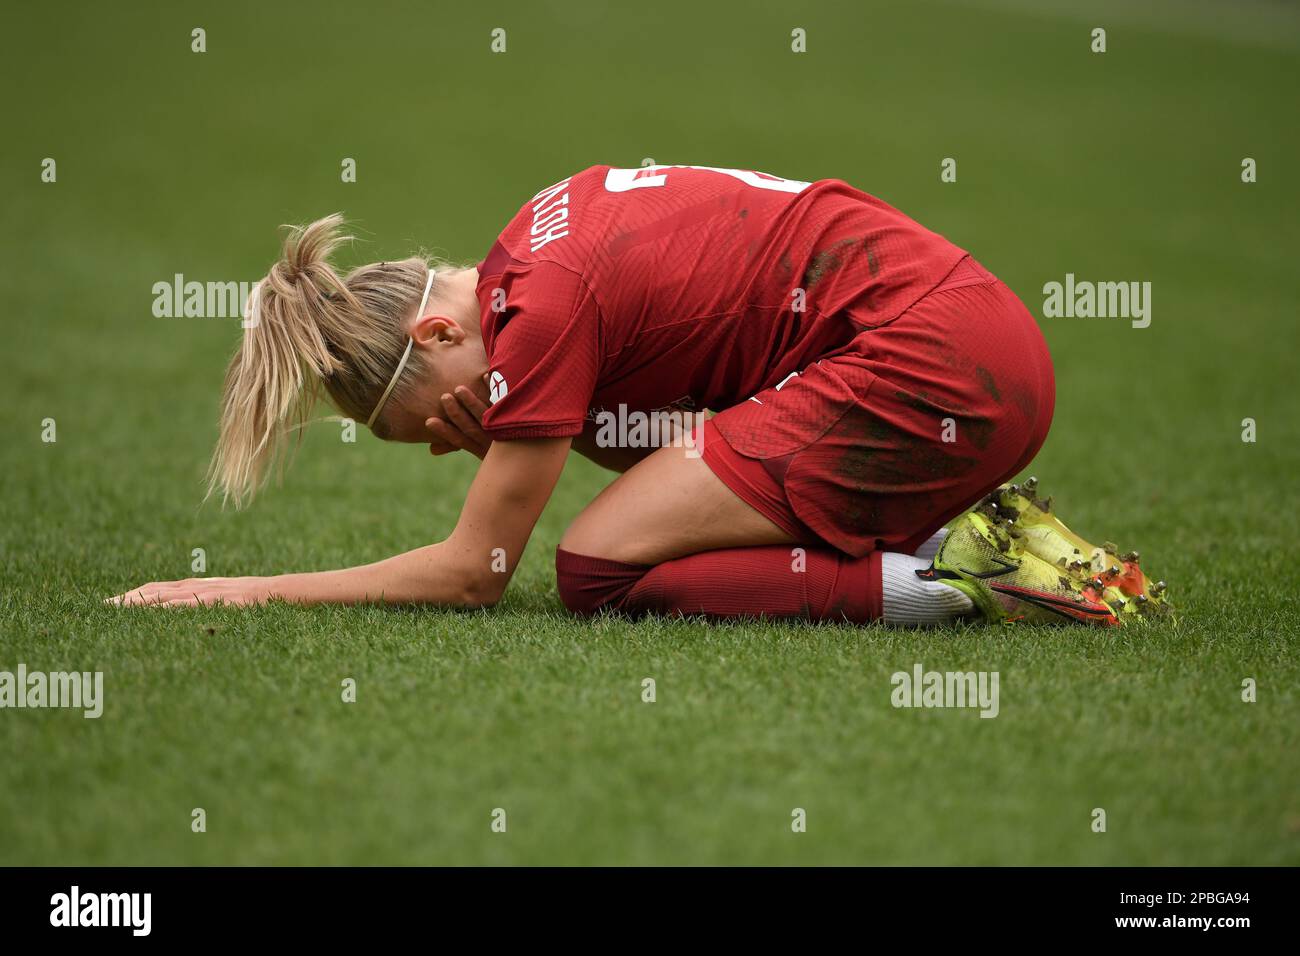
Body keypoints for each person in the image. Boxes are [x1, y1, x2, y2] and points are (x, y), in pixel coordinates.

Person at [112, 165, 1169, 624]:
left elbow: (474, 574)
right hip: (973, 341)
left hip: (930, 364)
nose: (451, 441)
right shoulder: (534, 243)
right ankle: (959, 532)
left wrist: (239, 588)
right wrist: (525, 434)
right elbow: (683, 451)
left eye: (434, 419)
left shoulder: (543, 309)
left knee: (593, 571)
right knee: (634, 530)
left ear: (436, 331)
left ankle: (940, 575)